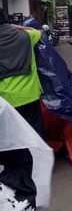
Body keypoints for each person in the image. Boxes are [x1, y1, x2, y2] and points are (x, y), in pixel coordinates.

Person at [0, 8, 44, 137]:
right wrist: (12, 26)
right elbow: (37, 32)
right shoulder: (27, 36)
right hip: (30, 95)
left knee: (12, 136)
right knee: (34, 133)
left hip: (5, 99)